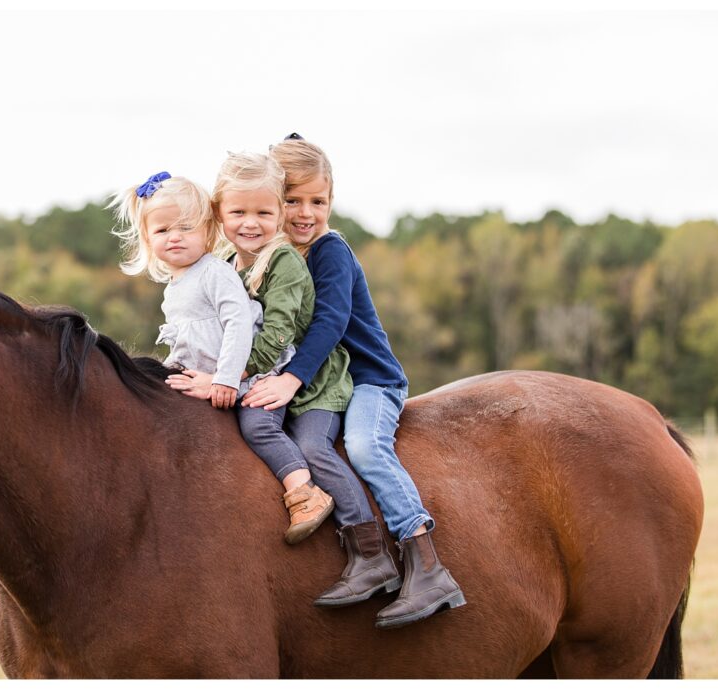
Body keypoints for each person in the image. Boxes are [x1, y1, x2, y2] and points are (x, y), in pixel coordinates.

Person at [242, 135, 466, 629]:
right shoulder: (275, 256)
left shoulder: (329, 251)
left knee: (364, 447)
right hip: (327, 386)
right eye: (292, 201)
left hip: (369, 382)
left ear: (331, 203)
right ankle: (365, 558)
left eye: (317, 201)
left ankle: (425, 562)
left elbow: (331, 322)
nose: (305, 213)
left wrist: (290, 380)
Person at [169, 153, 402, 609]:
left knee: (335, 447)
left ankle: (373, 547)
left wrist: (227, 379)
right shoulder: (227, 264)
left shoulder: (299, 260)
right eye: (238, 212)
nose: (251, 223)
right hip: (279, 378)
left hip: (330, 382)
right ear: (219, 214)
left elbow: (293, 331)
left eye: (265, 212)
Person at [110, 169, 332, 544]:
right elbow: (192, 343)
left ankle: (305, 489)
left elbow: (239, 326)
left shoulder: (215, 273)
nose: (174, 237)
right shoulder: (176, 286)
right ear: (148, 239)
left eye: (185, 228)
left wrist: (228, 379)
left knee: (258, 427)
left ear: (208, 231)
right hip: (216, 376)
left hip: (253, 376)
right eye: (162, 231)